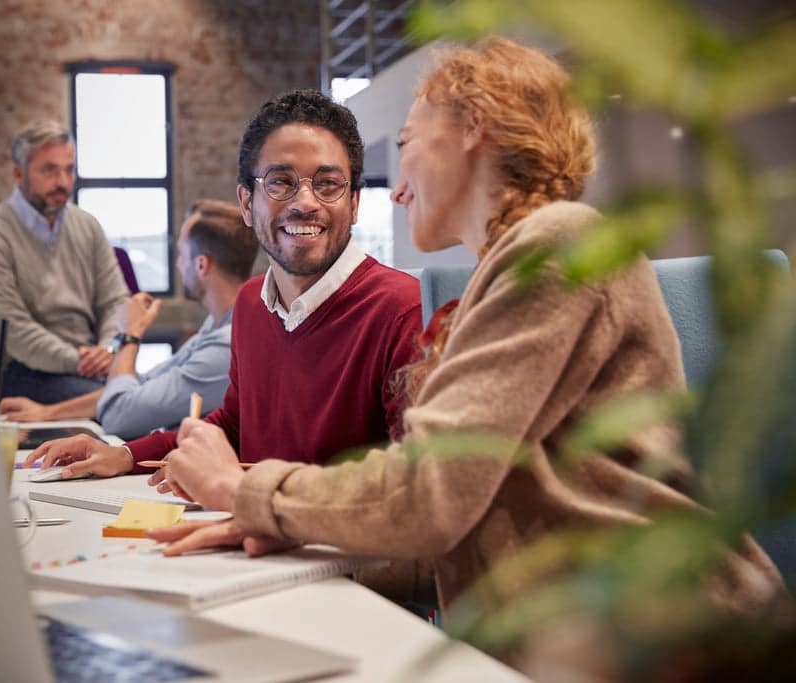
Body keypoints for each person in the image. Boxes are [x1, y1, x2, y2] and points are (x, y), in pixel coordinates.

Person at [140, 37, 784, 625]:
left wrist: (241, 492)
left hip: (668, 634)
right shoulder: (509, 271)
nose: (396, 191)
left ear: (471, 129)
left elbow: (429, 491)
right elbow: (459, 529)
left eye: (410, 139)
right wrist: (289, 530)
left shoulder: (556, 250)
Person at [25, 90, 423, 476]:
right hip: (248, 534)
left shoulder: (403, 311)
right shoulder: (251, 304)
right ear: (248, 203)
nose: (305, 202)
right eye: (280, 182)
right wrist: (126, 454)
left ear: (354, 203)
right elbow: (234, 425)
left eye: (328, 184)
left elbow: (413, 484)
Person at [0, 200, 258, 440]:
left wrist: (129, 336)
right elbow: (143, 385)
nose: (178, 264)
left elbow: (118, 416)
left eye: (181, 254)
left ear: (201, 265)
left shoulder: (228, 346)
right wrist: (47, 413)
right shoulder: (217, 324)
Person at [0, 120, 130, 403]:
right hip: (19, 371)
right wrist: (83, 361)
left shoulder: (87, 225)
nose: (63, 182)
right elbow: (14, 331)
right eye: (49, 170)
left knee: (145, 399)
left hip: (85, 366)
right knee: (123, 405)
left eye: (69, 169)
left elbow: (116, 301)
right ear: (19, 173)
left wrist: (108, 350)